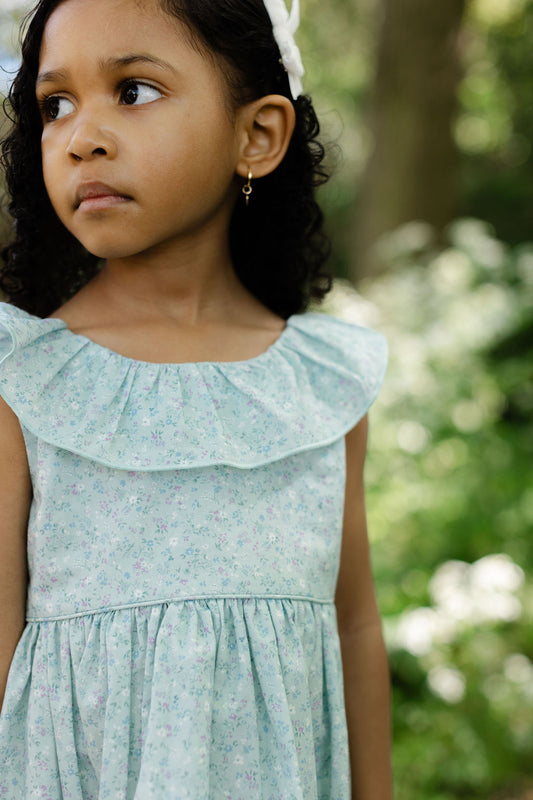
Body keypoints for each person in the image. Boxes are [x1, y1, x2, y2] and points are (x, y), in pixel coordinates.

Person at [0, 0, 392, 797]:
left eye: (134, 91)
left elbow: (353, 626)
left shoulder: (321, 384)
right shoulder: (22, 375)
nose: (83, 137)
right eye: (55, 105)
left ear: (257, 136)